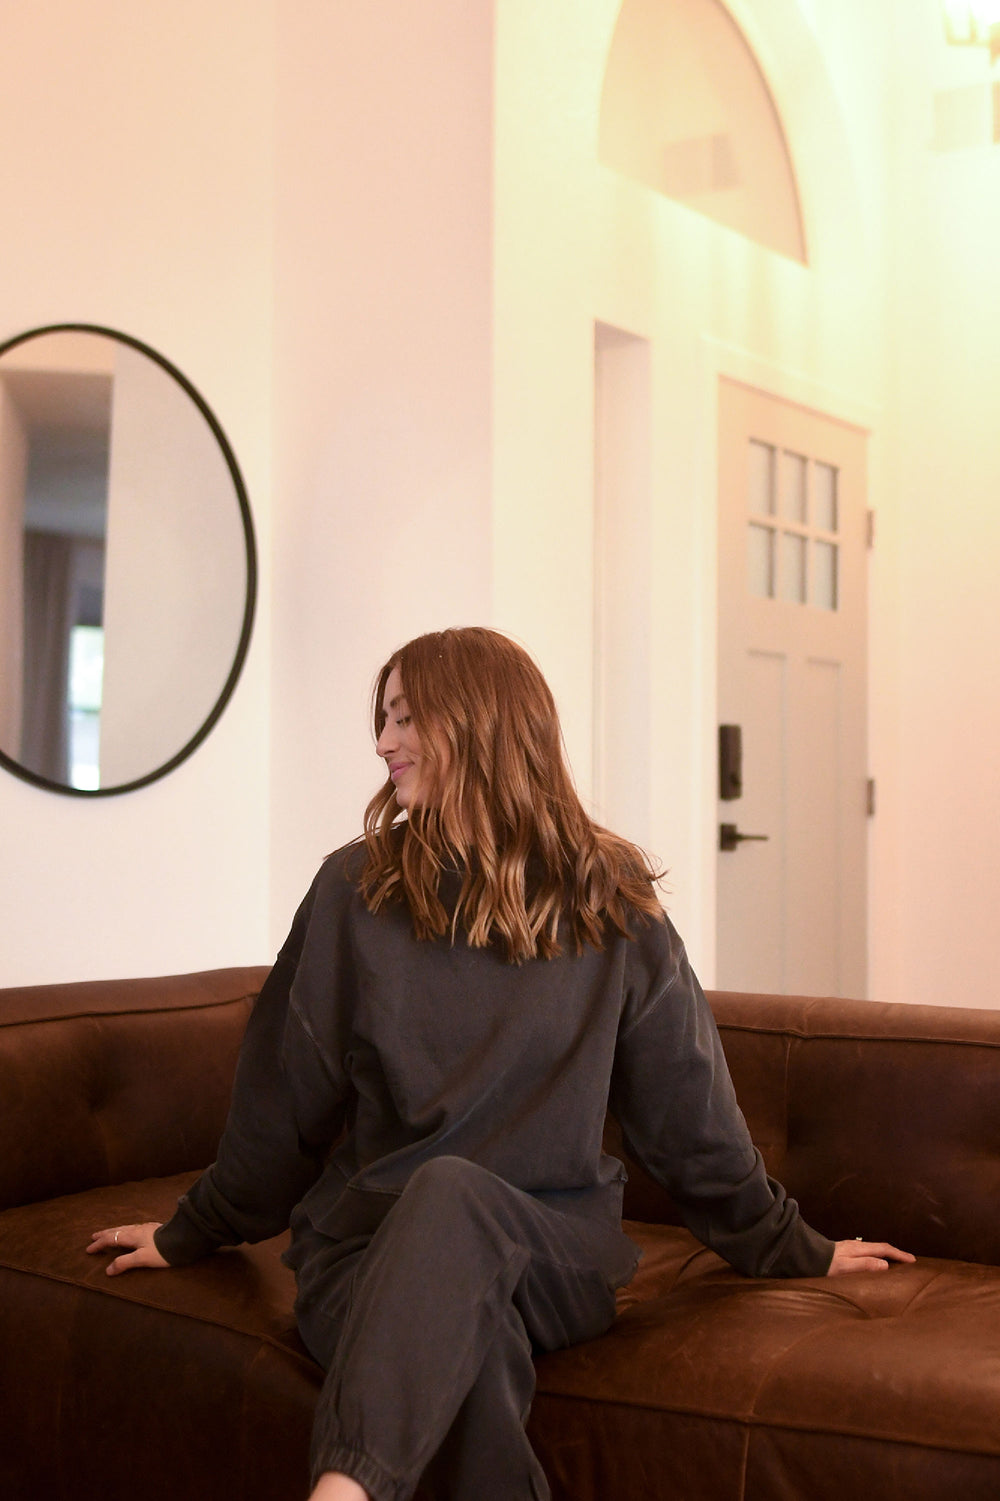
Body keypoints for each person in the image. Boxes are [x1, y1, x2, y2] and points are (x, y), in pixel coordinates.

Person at [87, 627, 913, 1501]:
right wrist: (192, 1229)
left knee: (452, 1192)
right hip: (367, 1256)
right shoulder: (352, 892)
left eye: (406, 717)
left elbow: (688, 1120)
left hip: (551, 1257)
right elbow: (281, 1109)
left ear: (478, 726)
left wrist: (796, 1248)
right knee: (465, 1353)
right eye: (383, 717)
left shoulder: (612, 898)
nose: (382, 742)